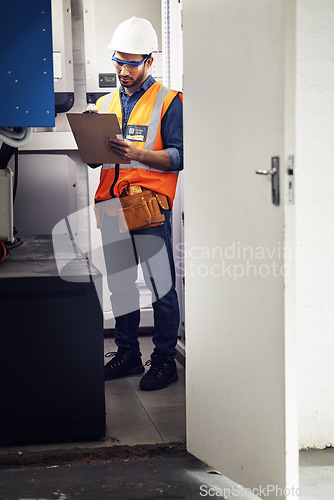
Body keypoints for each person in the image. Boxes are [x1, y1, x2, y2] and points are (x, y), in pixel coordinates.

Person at [91, 17, 183, 390]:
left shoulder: (169, 101)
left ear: (148, 61)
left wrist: (140, 154)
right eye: (118, 61)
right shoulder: (104, 102)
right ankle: (128, 353)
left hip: (147, 206)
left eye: (131, 62)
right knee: (121, 287)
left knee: (160, 287)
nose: (123, 70)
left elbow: (179, 156)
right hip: (111, 205)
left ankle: (164, 360)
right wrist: (92, 148)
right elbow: (100, 159)